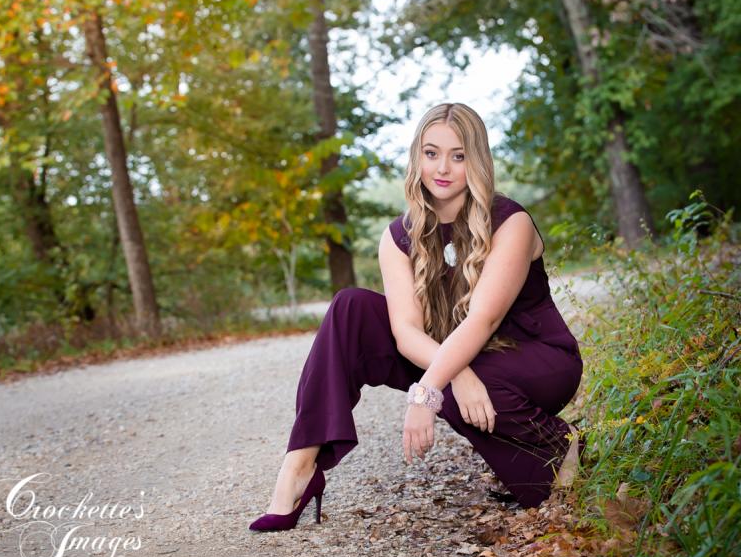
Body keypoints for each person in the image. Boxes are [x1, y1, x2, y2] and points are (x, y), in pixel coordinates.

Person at [249, 102, 584, 532]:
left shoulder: (509, 222)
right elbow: (405, 331)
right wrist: (453, 376)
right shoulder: (399, 235)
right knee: (350, 307)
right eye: (431, 153)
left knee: (466, 374)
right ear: (417, 157)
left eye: (458, 155)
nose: (442, 167)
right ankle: (300, 466)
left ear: (476, 161)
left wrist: (427, 391)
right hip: (465, 360)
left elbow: (481, 321)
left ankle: (561, 446)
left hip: (537, 360)